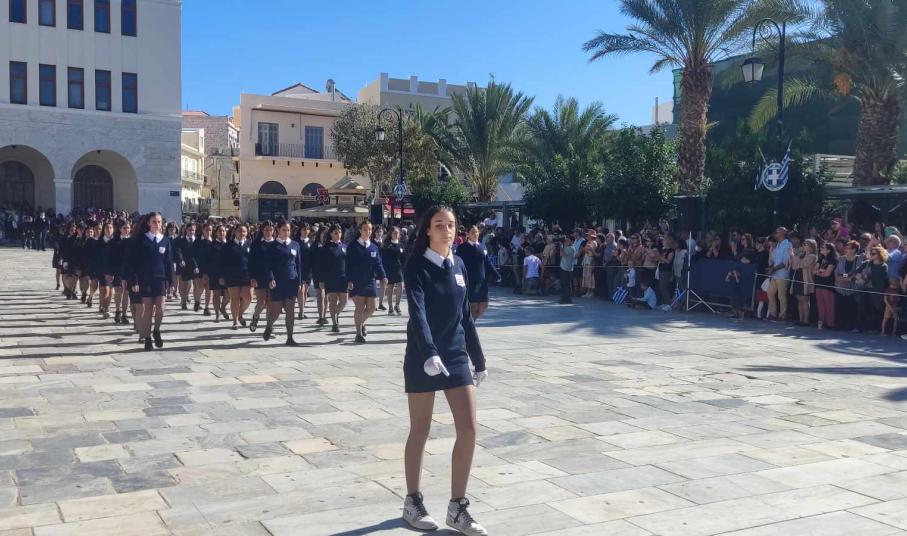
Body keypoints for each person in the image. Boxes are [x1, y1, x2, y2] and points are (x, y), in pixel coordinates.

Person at [400, 206, 488, 536]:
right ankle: (412, 502)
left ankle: (457, 507)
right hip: (423, 355)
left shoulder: (459, 264)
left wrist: (478, 358)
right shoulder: (416, 265)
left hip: (454, 355)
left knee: (469, 429)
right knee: (420, 429)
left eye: (450, 225)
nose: (445, 230)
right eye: (438, 225)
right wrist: (428, 352)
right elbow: (418, 313)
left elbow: (465, 316)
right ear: (427, 230)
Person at [128, 212, 173, 352]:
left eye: (159, 222)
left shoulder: (165, 240)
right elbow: (133, 262)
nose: (157, 224)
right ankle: (147, 338)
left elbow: (169, 263)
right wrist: (134, 281)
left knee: (161, 307)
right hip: (145, 279)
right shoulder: (141, 240)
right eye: (154, 221)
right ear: (148, 223)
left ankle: (156, 330)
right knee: (147, 309)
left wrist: (171, 283)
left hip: (160, 279)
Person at [345, 221, 387, 344]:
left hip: (370, 281)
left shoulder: (374, 247)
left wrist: (383, 276)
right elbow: (347, 265)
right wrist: (349, 280)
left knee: (372, 308)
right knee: (359, 307)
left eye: (369, 229)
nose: (368, 232)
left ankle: (361, 323)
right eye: (365, 229)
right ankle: (358, 333)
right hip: (356, 281)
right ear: (360, 230)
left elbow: (378, 263)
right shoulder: (352, 247)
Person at [263, 221, 301, 345]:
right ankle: (269, 325)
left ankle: (290, 337)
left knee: (290, 309)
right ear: (278, 230)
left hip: (291, 281)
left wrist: (299, 282)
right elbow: (267, 265)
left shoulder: (295, 245)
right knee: (276, 309)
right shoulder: (272, 246)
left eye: (288, 230)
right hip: (277, 282)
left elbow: (298, 265)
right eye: (284, 230)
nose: (286, 232)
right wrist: (271, 278)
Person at [456, 225, 500, 320]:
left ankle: (471, 323)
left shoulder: (482, 246)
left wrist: (496, 274)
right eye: (473, 232)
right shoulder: (462, 248)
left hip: (482, 281)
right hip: (469, 281)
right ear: (468, 234)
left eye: (476, 232)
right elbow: (457, 264)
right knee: (473, 307)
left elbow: (488, 262)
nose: (475, 234)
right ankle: (470, 325)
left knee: (484, 304)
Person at [221, 225, 252, 330]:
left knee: (248, 297)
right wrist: (222, 276)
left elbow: (254, 261)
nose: (242, 233)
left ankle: (240, 314)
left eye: (244, 231)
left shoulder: (250, 244)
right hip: (232, 276)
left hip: (246, 275)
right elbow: (222, 261)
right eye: (239, 231)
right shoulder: (228, 245)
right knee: (235, 299)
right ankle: (235, 321)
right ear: (235, 232)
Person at [320, 224, 348, 333]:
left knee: (344, 301)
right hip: (330, 277)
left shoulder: (344, 246)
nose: (338, 235)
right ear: (331, 234)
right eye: (336, 233)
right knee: (333, 300)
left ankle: (335, 315)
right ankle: (334, 323)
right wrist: (321, 280)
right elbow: (322, 265)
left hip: (343, 277)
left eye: (340, 232)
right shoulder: (326, 248)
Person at [248, 222, 275, 332]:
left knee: (271, 303)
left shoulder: (276, 244)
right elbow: (251, 262)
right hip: (260, 276)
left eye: (271, 230)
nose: (269, 232)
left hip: (273, 277)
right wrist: (252, 277)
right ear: (262, 231)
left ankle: (269, 326)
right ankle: (255, 317)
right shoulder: (256, 244)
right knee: (261, 302)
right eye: (266, 230)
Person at [790, 239, 818, 326]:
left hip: (805, 280)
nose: (803, 246)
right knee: (799, 300)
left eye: (806, 244)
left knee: (805, 300)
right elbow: (794, 266)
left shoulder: (812, 256)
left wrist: (793, 256)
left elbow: (802, 264)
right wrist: (795, 258)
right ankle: (800, 319)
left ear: (811, 246)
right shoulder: (801, 255)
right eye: (803, 244)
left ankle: (806, 321)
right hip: (797, 278)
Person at [767, 227, 792, 321]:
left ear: (782, 233)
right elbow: (774, 260)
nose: (775, 234)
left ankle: (782, 315)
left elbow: (785, 262)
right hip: (775, 274)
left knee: (781, 296)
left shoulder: (788, 244)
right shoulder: (777, 245)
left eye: (777, 232)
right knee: (770, 293)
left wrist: (773, 269)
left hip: (783, 275)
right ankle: (773, 314)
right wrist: (771, 268)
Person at [381, 226, 406, 316]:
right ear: (390, 234)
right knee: (390, 288)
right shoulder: (386, 245)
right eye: (394, 232)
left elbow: (404, 258)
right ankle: (390, 307)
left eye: (397, 233)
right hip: (389, 269)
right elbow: (383, 259)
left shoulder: (401, 245)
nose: (396, 234)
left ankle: (397, 305)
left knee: (400, 286)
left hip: (399, 269)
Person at [208, 225, 231, 323]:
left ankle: (223, 307)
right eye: (220, 231)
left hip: (228, 273)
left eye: (224, 231)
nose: (222, 233)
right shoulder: (212, 245)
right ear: (216, 232)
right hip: (215, 273)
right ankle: (217, 314)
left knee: (228, 294)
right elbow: (209, 260)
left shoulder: (229, 244)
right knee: (216, 294)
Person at [814, 242, 837, 329]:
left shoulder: (833, 260)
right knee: (820, 304)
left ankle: (830, 323)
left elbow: (827, 274)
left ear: (829, 250)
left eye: (823, 247)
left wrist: (819, 272)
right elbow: (813, 270)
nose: (821, 249)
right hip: (819, 283)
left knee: (829, 305)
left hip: (828, 285)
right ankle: (822, 322)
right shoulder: (820, 259)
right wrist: (821, 272)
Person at [192, 224, 214, 315]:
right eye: (206, 230)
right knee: (200, 287)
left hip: (210, 269)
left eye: (210, 230)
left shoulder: (213, 242)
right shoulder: (197, 242)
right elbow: (193, 255)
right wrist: (195, 266)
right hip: (199, 268)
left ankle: (207, 307)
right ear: (203, 231)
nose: (208, 232)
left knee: (209, 289)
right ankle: (197, 301)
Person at [173, 224, 197, 311]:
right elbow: (178, 251)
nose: (191, 232)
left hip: (195, 265)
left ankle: (197, 301)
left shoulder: (197, 241)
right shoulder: (181, 241)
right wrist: (181, 260)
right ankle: (183, 301)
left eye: (193, 230)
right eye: (189, 230)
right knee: (184, 284)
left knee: (196, 284)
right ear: (186, 230)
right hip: (184, 265)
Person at [296, 224, 314, 321]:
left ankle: (302, 309)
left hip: (308, 270)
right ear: (300, 230)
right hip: (299, 269)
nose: (306, 231)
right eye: (304, 229)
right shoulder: (296, 242)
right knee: (301, 291)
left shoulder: (311, 242)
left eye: (307, 229)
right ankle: (301, 312)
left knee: (305, 291)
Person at [559, 235, 576, 304]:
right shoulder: (567, 247)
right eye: (566, 240)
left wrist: (561, 246)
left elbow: (562, 254)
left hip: (566, 269)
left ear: (572, 241)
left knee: (566, 285)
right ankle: (564, 298)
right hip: (565, 268)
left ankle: (568, 299)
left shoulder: (571, 248)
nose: (566, 241)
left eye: (568, 240)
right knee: (564, 285)